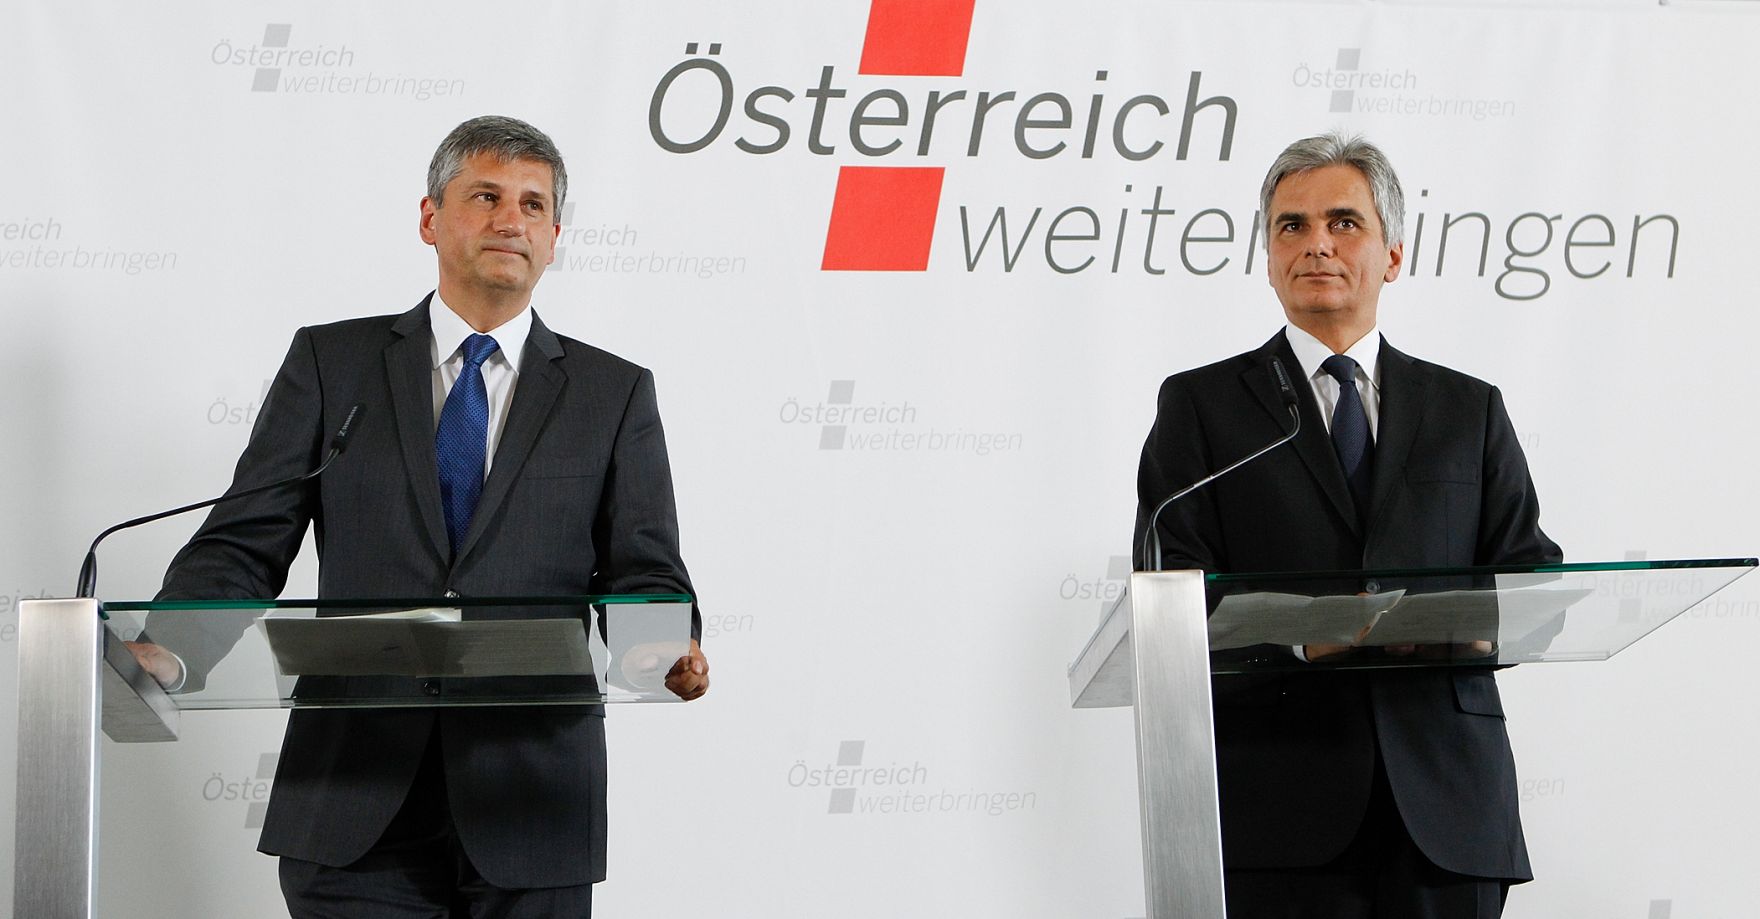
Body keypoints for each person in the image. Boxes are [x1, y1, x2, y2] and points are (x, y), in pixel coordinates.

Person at [132, 115, 707, 917]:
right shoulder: (333, 364)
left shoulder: (613, 394)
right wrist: (172, 644)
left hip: (530, 801)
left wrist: (660, 642)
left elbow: (644, 566)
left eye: (535, 205)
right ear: (431, 217)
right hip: (352, 799)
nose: (513, 219)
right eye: (486, 195)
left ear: (555, 236)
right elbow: (246, 538)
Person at [1132, 131, 1559, 918]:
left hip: (1447, 810)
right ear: (1268, 258)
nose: (1315, 243)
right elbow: (1174, 598)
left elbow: (1532, 579)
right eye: (1290, 226)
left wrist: (1450, 628)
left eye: (1343, 222)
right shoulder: (1203, 407)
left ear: (1393, 254)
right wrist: (1303, 637)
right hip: (1282, 810)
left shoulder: (1469, 408)